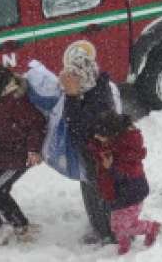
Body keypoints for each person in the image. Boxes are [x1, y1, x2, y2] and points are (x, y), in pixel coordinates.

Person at [0, 65, 48, 247]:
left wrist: (33, 149)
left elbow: (36, 124)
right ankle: (21, 226)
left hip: (19, 155)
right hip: (5, 153)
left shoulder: (15, 101)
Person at [59, 40, 121, 243]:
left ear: (83, 79)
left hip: (98, 158)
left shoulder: (96, 101)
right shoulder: (96, 89)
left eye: (72, 78)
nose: (67, 82)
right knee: (93, 189)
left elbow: (76, 127)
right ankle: (102, 225)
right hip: (93, 156)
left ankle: (106, 232)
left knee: (98, 192)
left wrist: (71, 97)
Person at [86, 112, 161, 255]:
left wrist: (110, 167)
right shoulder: (112, 142)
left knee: (125, 226)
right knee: (116, 225)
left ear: (112, 134)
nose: (97, 137)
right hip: (118, 193)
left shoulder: (127, 150)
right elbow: (96, 146)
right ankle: (124, 243)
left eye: (100, 135)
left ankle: (151, 228)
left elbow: (127, 174)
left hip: (132, 193)